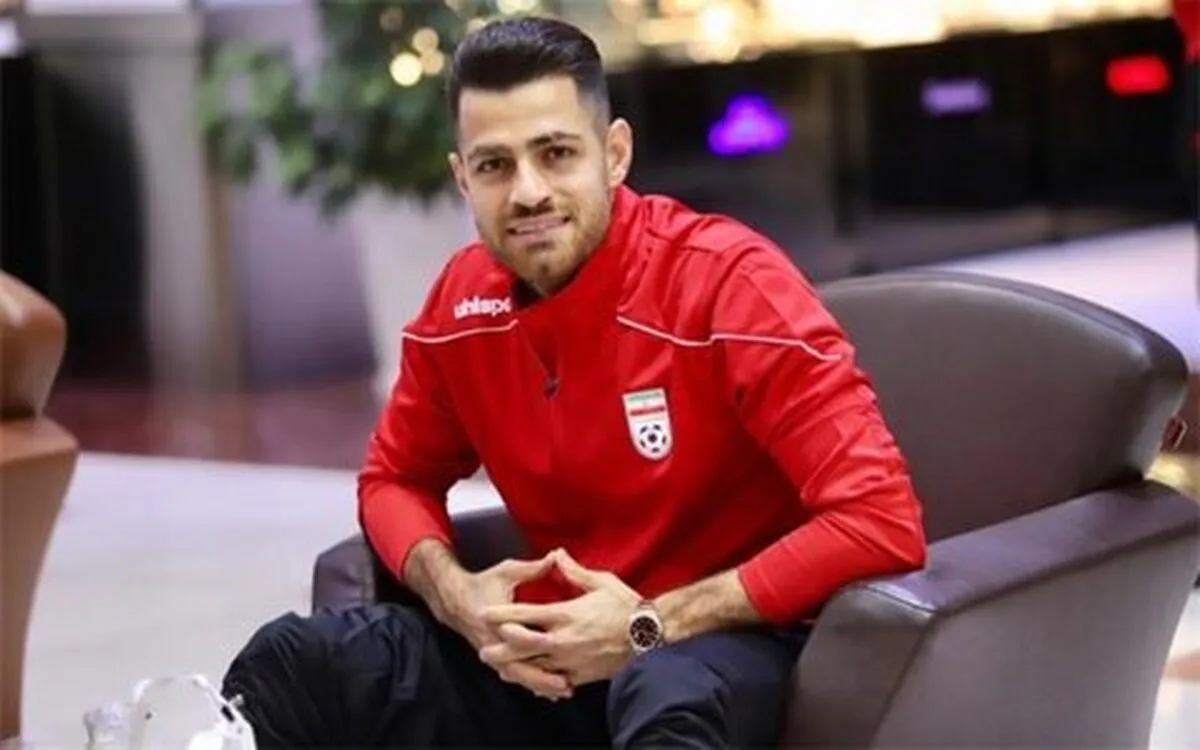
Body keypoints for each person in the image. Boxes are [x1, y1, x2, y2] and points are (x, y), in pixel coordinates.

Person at [220, 15, 927, 748]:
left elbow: (878, 520)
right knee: (293, 661)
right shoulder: (461, 304)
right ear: (462, 177)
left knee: (667, 693)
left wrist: (647, 624)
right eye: (494, 166)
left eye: (556, 154)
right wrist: (459, 596)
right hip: (554, 658)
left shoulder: (729, 284)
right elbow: (393, 479)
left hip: (723, 646)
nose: (528, 192)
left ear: (614, 154)